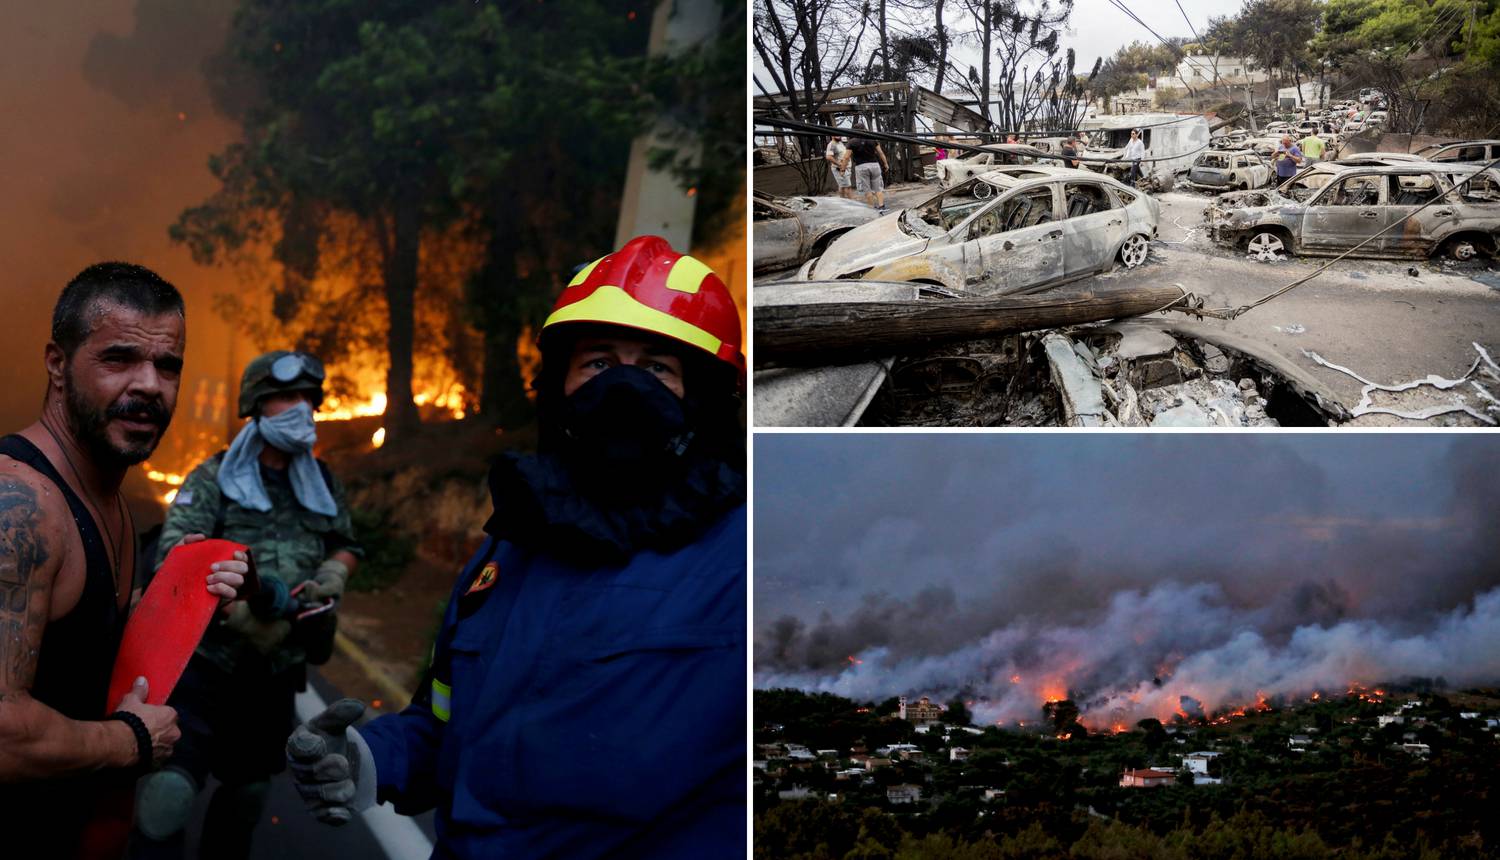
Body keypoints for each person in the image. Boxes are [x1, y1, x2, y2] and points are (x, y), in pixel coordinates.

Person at [285, 235, 746, 859]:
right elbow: (448, 724)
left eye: (658, 368)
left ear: (706, 405)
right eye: (600, 364)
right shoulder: (506, 552)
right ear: (559, 389)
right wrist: (369, 757)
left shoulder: (741, 559)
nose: (624, 389)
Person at [0, 263, 247, 857]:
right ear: (57, 364)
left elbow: (74, 641)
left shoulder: (107, 496)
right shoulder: (20, 508)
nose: (150, 385)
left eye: (168, 366)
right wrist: (130, 740)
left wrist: (179, 600)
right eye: (119, 359)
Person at [128, 351, 361, 859]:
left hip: (273, 674)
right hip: (206, 668)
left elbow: (346, 541)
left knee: (248, 799)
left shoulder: (323, 483)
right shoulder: (215, 477)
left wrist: (333, 573)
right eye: (287, 397)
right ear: (257, 404)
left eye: (307, 398)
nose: (301, 408)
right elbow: (174, 556)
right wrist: (236, 613)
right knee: (167, 796)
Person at [851, 134, 889, 213]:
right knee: (878, 187)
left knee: (867, 189)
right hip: (874, 165)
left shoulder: (852, 142)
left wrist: (843, 169)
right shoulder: (872, 139)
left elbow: (846, 156)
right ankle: (881, 206)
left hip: (861, 167)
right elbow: (880, 152)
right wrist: (885, 163)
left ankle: (872, 209)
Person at [824, 134, 853, 199]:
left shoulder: (840, 143)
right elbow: (828, 157)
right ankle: (852, 203)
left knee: (842, 186)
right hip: (839, 169)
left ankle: (843, 201)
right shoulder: (832, 144)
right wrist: (839, 164)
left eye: (839, 134)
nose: (839, 136)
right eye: (836, 135)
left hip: (847, 167)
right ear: (832, 136)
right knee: (847, 186)